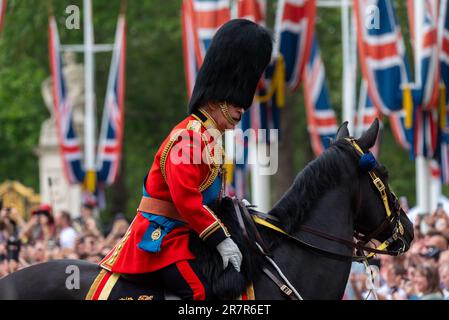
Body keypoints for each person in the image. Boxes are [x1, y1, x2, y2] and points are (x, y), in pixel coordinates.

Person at [100, 19, 273, 300]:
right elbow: (186, 199)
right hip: (164, 238)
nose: (242, 108)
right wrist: (220, 239)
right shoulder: (188, 138)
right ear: (218, 99)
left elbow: (210, 198)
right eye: (237, 101)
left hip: (189, 236)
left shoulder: (209, 139)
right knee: (200, 293)